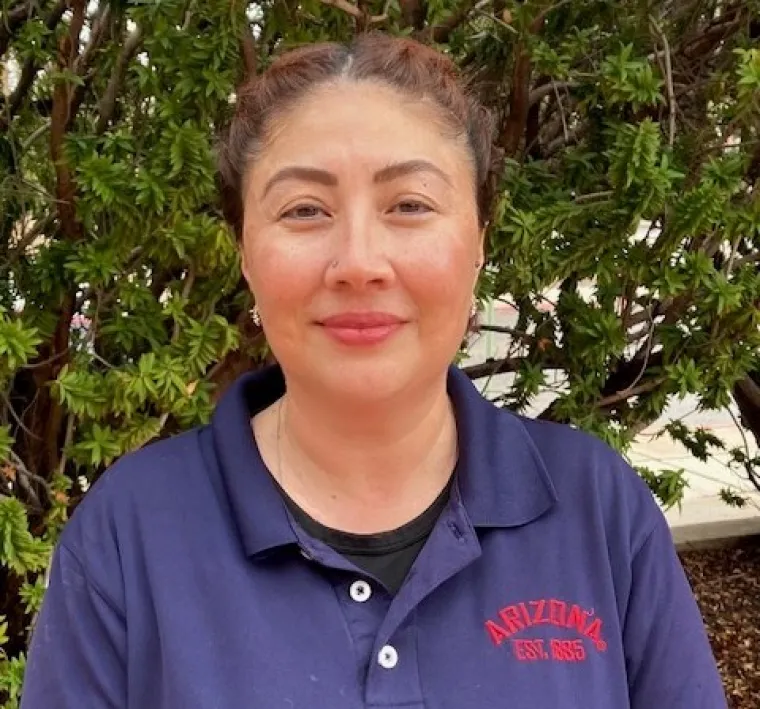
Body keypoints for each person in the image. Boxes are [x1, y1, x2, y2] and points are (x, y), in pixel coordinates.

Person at [21, 33, 727, 709]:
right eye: (304, 210)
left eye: (410, 205)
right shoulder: (128, 537)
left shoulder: (598, 513)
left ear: (479, 239)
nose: (358, 260)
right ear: (244, 250)